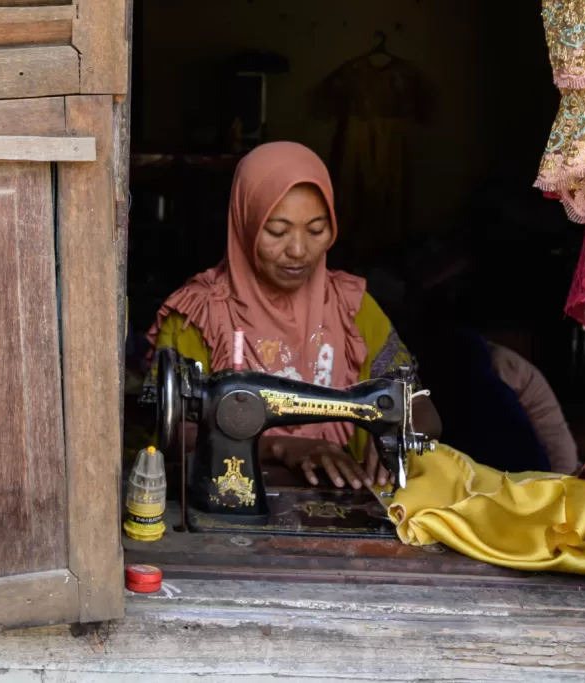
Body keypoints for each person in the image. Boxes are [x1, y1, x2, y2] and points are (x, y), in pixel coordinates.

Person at [143, 141, 441, 490]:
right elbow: (174, 434)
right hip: (233, 499)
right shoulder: (198, 315)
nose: (299, 251)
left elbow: (420, 408)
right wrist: (276, 446)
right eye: (277, 231)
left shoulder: (353, 308)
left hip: (350, 495)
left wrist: (401, 435)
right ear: (245, 224)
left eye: (316, 230)